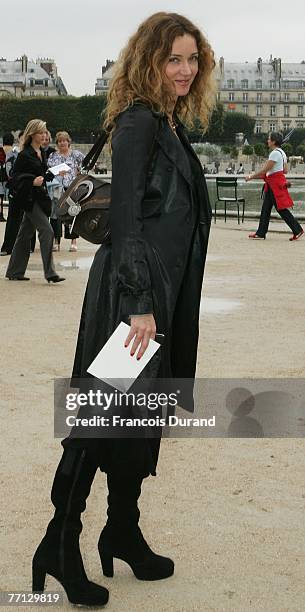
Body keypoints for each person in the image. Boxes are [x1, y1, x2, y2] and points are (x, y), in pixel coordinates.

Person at [32, 12, 215, 607]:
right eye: (173, 59)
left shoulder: (166, 122)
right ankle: (60, 543)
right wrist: (139, 304)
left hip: (157, 294)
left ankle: (123, 529)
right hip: (132, 297)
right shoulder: (139, 122)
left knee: (136, 417)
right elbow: (131, 221)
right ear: (149, 61)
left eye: (192, 58)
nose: (184, 70)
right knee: (99, 417)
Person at [5, 119, 65, 282]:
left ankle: (14, 271)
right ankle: (50, 272)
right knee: (47, 231)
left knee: (24, 234)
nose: (45, 135)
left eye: (45, 132)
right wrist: (31, 181)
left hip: (38, 198)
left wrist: (56, 173)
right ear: (33, 135)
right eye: (41, 132)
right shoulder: (24, 155)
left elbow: (43, 176)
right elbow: (13, 179)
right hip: (29, 200)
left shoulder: (41, 153)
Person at [247, 132, 304, 240]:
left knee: (281, 209)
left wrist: (251, 177)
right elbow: (285, 170)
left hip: (274, 184)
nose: (267, 141)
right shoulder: (282, 153)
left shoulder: (274, 153)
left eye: (269, 139)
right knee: (266, 209)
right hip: (276, 183)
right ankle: (261, 233)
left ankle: (298, 230)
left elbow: (265, 170)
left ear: (273, 141)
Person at [47, 132, 84, 251]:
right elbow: (49, 170)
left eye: (64, 140)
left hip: (72, 187)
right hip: (58, 188)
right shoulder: (53, 155)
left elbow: (87, 165)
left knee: (72, 213)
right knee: (55, 215)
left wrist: (80, 172)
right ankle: (56, 240)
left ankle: (73, 240)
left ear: (69, 142)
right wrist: (57, 173)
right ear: (57, 143)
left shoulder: (76, 154)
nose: (62, 143)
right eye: (60, 141)